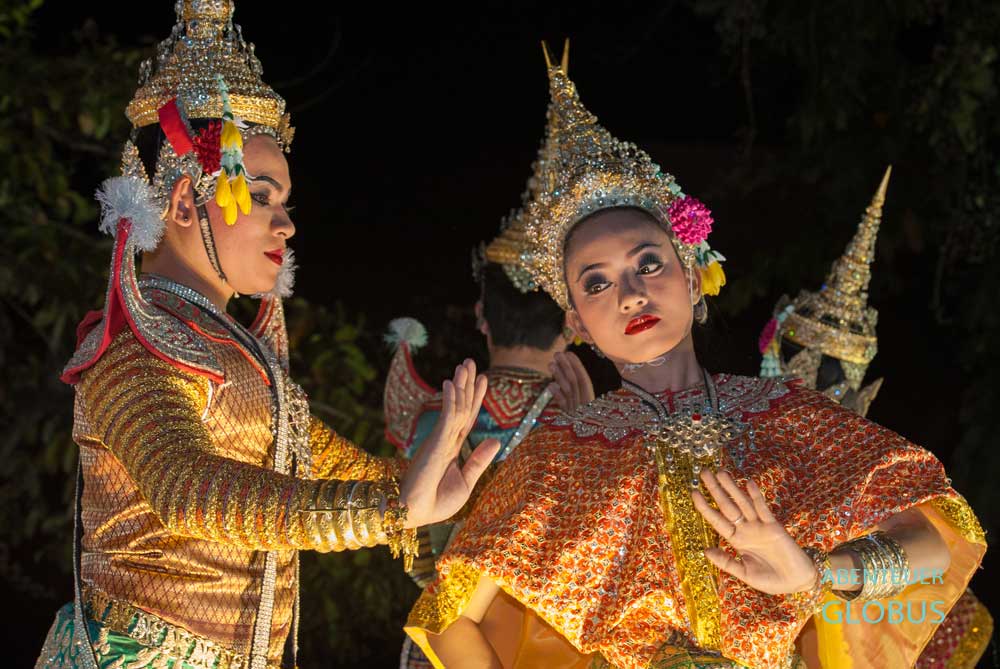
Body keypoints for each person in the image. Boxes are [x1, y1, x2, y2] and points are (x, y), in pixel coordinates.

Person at [404, 41, 986, 669]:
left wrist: (814, 570)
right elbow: (446, 618)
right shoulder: (558, 455)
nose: (629, 294)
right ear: (576, 321)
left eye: (647, 264)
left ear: (690, 274)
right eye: (596, 283)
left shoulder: (786, 414)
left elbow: (937, 538)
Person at [34, 3, 497, 668]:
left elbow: (320, 462)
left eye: (285, 203)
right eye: (260, 195)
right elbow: (187, 487)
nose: (286, 226)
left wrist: (431, 492)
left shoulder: (237, 357)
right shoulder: (136, 346)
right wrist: (390, 507)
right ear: (186, 203)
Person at [758, 167, 994, 668]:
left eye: (825, 407)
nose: (811, 421)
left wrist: (817, 571)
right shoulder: (725, 430)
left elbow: (932, 551)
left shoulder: (861, 468)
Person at [386, 189, 593, 669]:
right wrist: (586, 435)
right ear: (574, 323)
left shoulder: (435, 419)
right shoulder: (593, 428)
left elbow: (414, 555)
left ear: (483, 317)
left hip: (440, 644)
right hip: (551, 645)